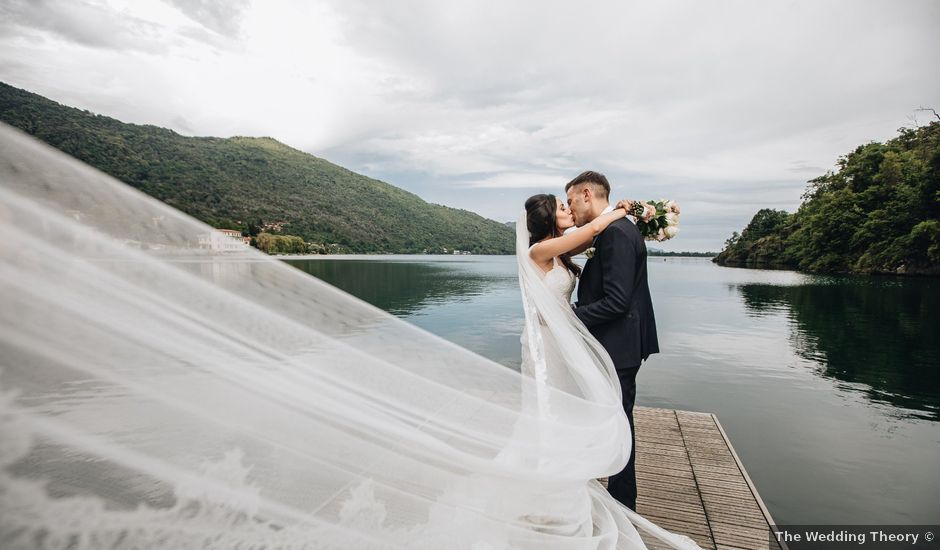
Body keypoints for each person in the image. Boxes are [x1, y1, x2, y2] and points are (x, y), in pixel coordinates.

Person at [566, 170, 659, 511]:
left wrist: (570, 318)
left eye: (572, 200)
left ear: (587, 194)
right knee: (616, 421)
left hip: (618, 346)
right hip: (620, 344)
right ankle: (618, 499)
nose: (570, 208)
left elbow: (618, 301)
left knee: (619, 424)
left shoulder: (617, 233)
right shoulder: (615, 229)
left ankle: (622, 503)